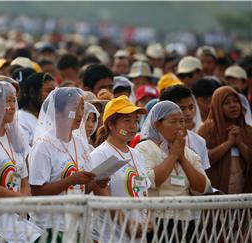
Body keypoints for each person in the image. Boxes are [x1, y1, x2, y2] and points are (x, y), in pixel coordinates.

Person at [135, 100, 211, 241]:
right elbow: (149, 181)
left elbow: (203, 187)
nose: (179, 127)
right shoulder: (144, 148)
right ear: (157, 125)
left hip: (186, 223)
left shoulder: (189, 153)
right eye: (173, 122)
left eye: (181, 122)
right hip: (157, 222)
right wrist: (173, 156)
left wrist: (182, 158)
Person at [28, 87, 97, 239]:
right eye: (74, 108)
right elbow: (37, 191)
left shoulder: (79, 141)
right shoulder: (44, 145)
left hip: (77, 225)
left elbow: (81, 189)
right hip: (51, 228)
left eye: (82, 108)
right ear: (57, 113)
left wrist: (96, 182)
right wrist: (71, 180)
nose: (80, 114)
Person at [91, 95, 151, 241]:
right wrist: (127, 223)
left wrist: (148, 219)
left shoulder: (136, 153)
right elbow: (103, 196)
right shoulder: (100, 154)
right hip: (111, 236)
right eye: (127, 120)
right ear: (111, 124)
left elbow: (144, 191)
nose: (133, 126)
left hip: (137, 235)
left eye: (136, 121)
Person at [197, 86, 252, 194]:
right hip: (216, 197)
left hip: (245, 197)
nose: (233, 105)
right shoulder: (207, 130)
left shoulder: (248, 131)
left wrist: (240, 144)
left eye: (236, 101)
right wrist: (228, 143)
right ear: (217, 106)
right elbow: (202, 160)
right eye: (227, 103)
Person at [160, 85, 210, 170]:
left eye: (191, 107)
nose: (188, 113)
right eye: (182, 109)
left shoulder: (199, 141)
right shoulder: (155, 141)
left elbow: (204, 178)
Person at [18, 72, 56, 146]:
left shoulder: (50, 116)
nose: (52, 95)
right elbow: (25, 151)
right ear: (32, 93)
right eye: (48, 91)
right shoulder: (20, 118)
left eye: (54, 91)